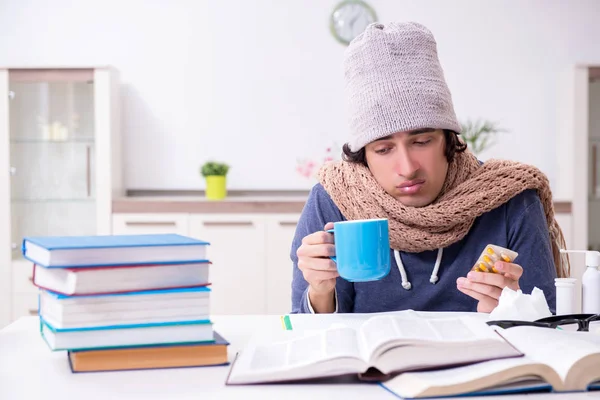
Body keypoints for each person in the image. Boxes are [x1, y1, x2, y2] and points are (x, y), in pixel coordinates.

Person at [290, 22, 569, 314]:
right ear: (363, 156)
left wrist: (513, 310)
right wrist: (320, 292)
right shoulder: (333, 199)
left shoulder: (511, 199)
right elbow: (306, 334)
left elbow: (549, 322)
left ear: (448, 139)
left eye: (422, 141)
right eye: (384, 149)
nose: (408, 168)